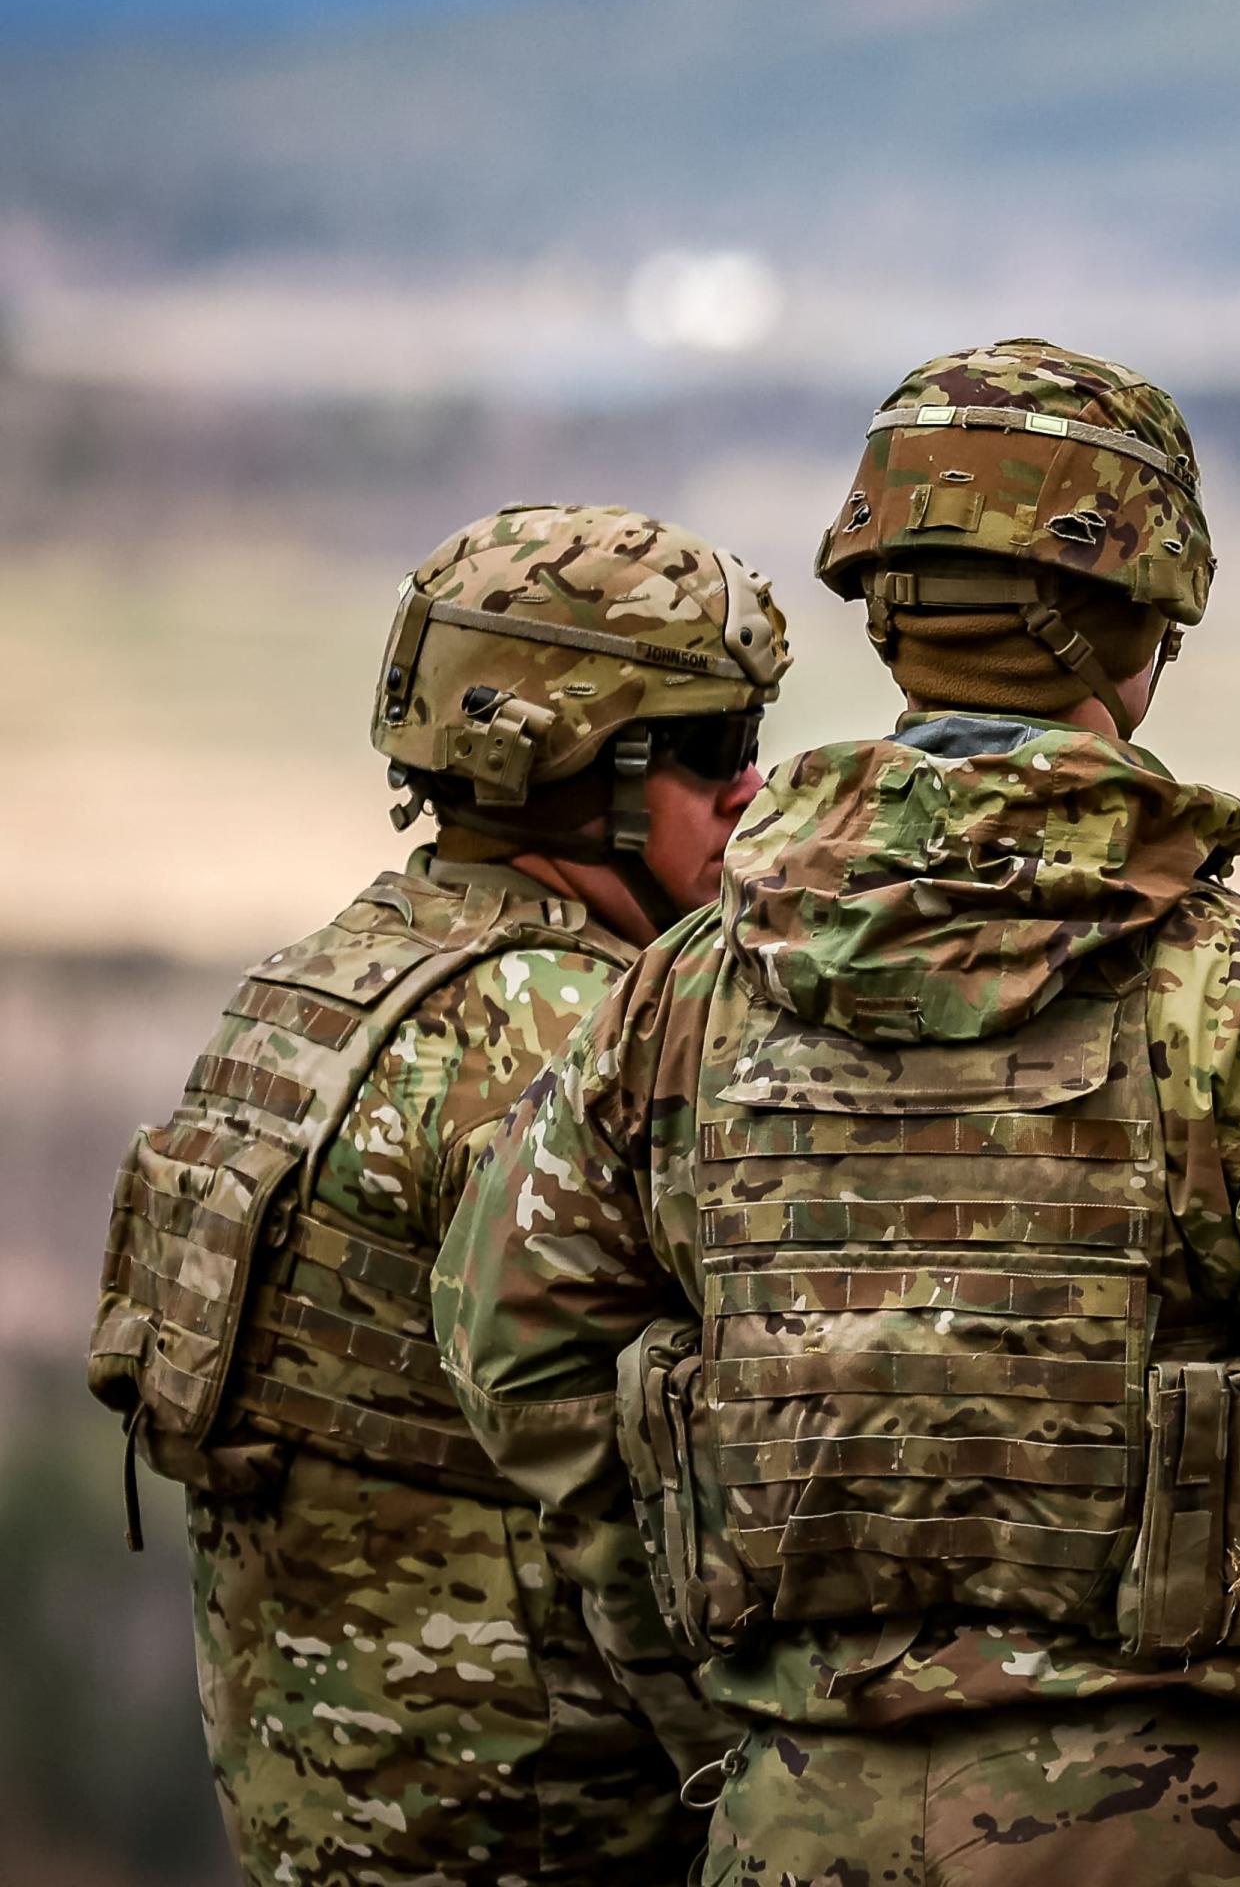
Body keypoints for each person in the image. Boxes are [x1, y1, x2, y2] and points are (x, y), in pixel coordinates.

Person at [435, 338, 1240, 1887]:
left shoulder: (675, 998)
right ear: (1148, 625)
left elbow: (512, 1347)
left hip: (796, 1822)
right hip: (1189, 1833)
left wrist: (708, 1665)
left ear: (884, 605)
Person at [91, 501, 788, 1885]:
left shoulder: (302, 990)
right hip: (541, 1818)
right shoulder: (591, 1040)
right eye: (712, 752)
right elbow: (672, 1513)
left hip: (320, 1801)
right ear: (580, 767)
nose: (749, 793)